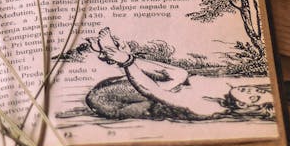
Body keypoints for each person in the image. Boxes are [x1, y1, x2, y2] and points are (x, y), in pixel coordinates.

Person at [86, 28, 273, 122]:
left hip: (108, 101)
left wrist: (127, 62)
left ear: (244, 105)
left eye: (254, 96)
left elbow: (150, 90)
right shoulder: (225, 93)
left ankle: (117, 57)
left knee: (169, 83)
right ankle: (114, 55)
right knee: (180, 74)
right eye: (257, 89)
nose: (251, 89)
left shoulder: (206, 108)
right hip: (123, 90)